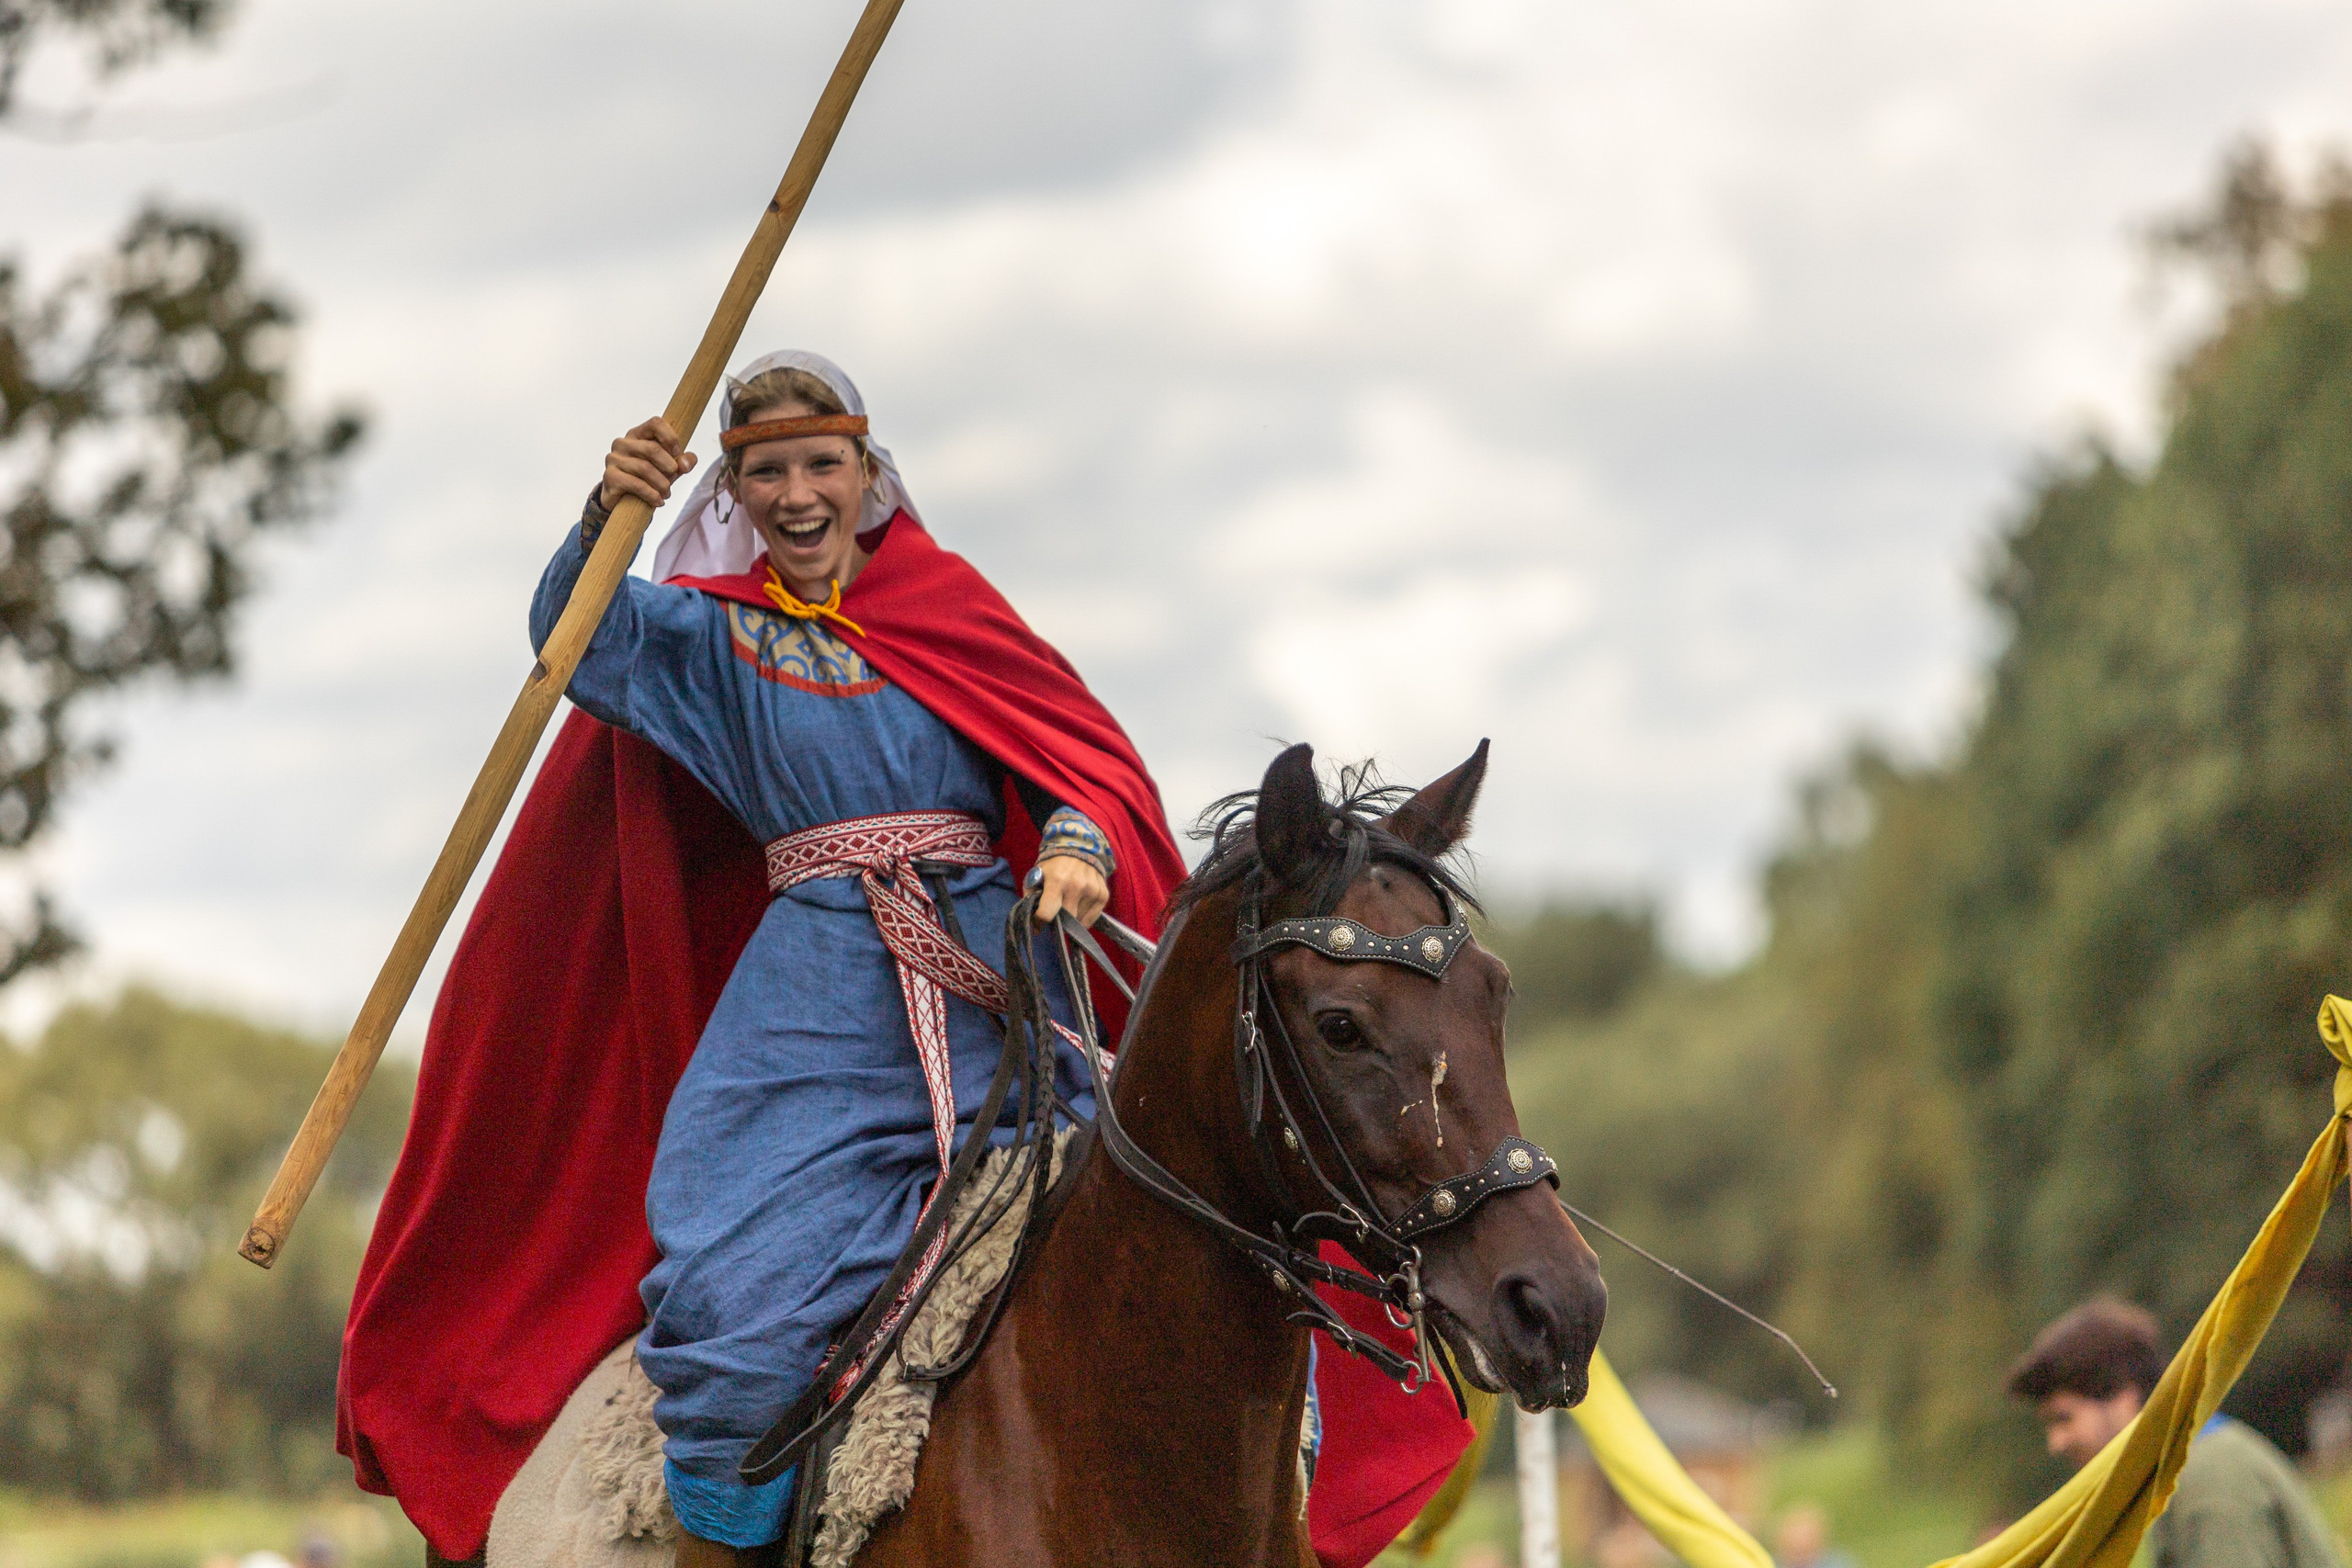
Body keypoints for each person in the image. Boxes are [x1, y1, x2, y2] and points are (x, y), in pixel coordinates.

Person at [336, 352, 1476, 1567]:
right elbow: (578, 635)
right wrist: (606, 513)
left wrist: (1080, 843)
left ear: (868, 475)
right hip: (814, 1005)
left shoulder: (948, 608)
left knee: (1191, 1241)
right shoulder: (719, 639)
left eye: (820, 461)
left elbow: (1069, 753)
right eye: (763, 470)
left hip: (999, 985)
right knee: (731, 1304)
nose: (796, 490)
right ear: (733, 492)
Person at [2006, 1298, 2346, 1568]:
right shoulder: (2188, 1469)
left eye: (2064, 1418)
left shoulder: (2206, 1481)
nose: (2056, 1443)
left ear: (2125, 1398)